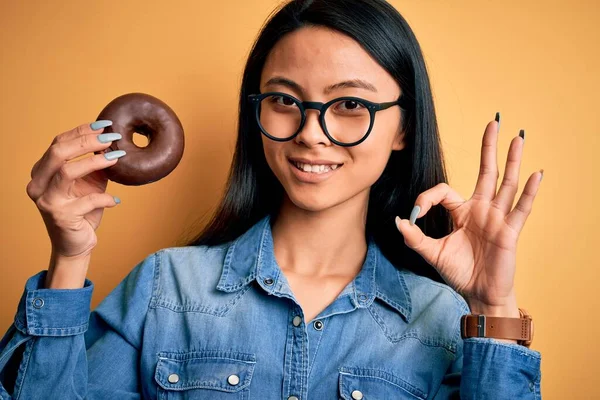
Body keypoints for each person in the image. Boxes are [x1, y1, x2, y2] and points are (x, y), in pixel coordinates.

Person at [0, 0, 543, 398]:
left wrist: (493, 306)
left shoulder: (446, 318)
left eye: (350, 103)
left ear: (404, 127)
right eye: (284, 100)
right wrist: (69, 259)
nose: (311, 133)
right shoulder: (167, 288)